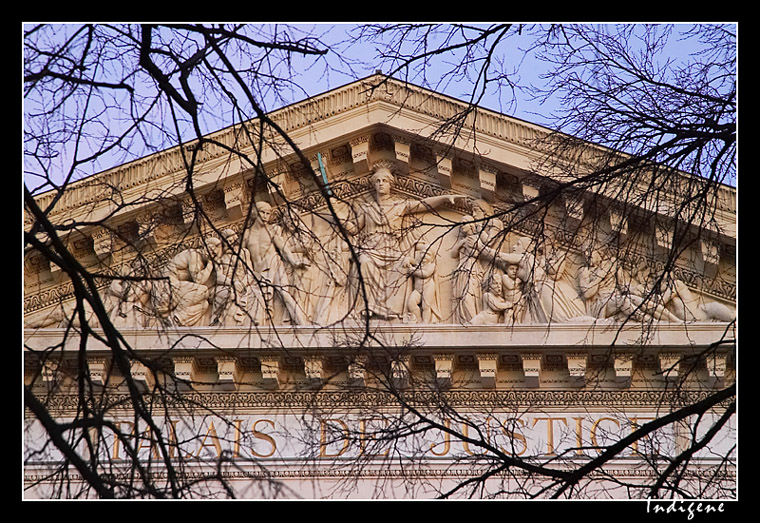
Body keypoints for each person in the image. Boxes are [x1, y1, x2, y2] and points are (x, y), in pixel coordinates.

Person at [345, 161, 465, 320]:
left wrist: (442, 198)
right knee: (364, 262)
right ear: (374, 184)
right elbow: (353, 229)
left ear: (390, 184)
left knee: (403, 265)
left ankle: (393, 310)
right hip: (371, 250)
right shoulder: (366, 209)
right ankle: (369, 307)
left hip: (392, 251)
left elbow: (422, 205)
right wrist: (340, 219)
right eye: (378, 181)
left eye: (385, 181)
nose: (381, 184)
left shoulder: (399, 205)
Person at [243, 201, 309, 325]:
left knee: (285, 294)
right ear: (254, 213)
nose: (265, 216)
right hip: (256, 272)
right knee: (257, 301)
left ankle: (303, 324)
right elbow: (241, 255)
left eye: (268, 214)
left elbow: (283, 248)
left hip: (273, 264)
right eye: (262, 212)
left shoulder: (273, 229)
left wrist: (294, 262)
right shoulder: (246, 234)